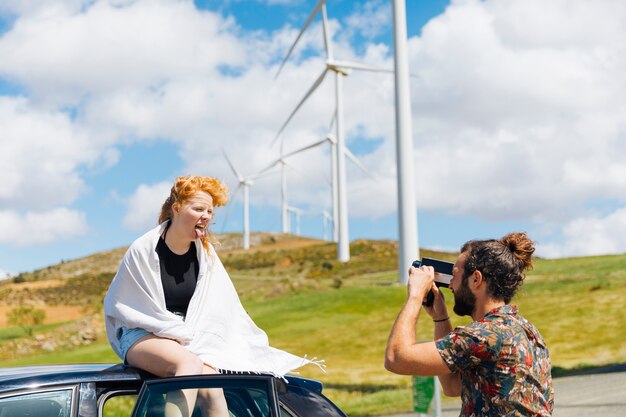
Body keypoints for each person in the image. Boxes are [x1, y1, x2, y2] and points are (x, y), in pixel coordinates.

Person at [104, 175, 317, 417]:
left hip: (184, 338)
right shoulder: (144, 249)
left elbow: (221, 306)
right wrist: (175, 335)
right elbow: (131, 308)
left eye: (209, 211)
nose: (206, 216)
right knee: (188, 365)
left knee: (213, 386)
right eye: (198, 209)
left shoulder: (205, 255)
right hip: (139, 333)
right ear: (176, 208)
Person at [385, 232, 554, 417]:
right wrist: (440, 317)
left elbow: (396, 358)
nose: (450, 285)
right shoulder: (527, 331)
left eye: (454, 275)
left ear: (476, 279)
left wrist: (415, 294)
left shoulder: (484, 334)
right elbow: (451, 386)